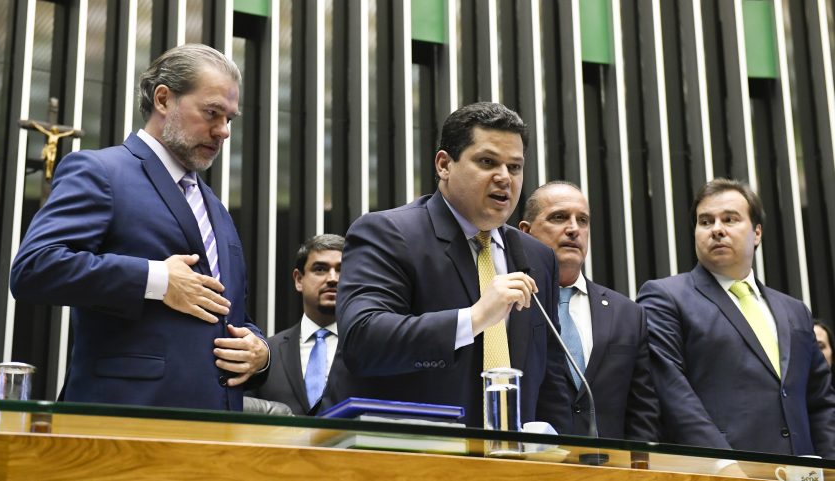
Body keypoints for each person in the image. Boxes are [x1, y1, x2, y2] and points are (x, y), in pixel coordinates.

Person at [9, 44, 269, 410]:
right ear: (164, 100)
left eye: (230, 118)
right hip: (126, 416)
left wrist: (259, 350)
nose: (223, 131)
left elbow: (223, 309)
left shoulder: (216, 209)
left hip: (216, 432)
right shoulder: (100, 171)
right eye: (212, 113)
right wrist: (157, 280)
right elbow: (35, 268)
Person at [325, 102, 571, 430]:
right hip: (404, 456)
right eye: (487, 162)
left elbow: (551, 379)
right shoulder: (388, 233)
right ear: (444, 165)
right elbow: (363, 341)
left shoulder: (536, 256)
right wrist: (475, 317)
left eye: (514, 167)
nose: (504, 178)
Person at [637, 178, 835, 457]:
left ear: (756, 233)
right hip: (720, 471)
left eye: (729, 219)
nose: (716, 229)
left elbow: (821, 402)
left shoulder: (795, 311)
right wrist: (727, 466)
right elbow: (673, 394)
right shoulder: (666, 297)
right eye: (705, 222)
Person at [519, 181, 659, 441]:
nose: (573, 229)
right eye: (559, 217)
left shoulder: (628, 314)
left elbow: (642, 414)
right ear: (526, 232)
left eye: (582, 220)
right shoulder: (509, 303)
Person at [246, 234, 345, 415]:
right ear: (299, 280)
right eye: (320, 269)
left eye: (341, 270)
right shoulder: (266, 354)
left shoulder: (368, 351)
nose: (333, 278)